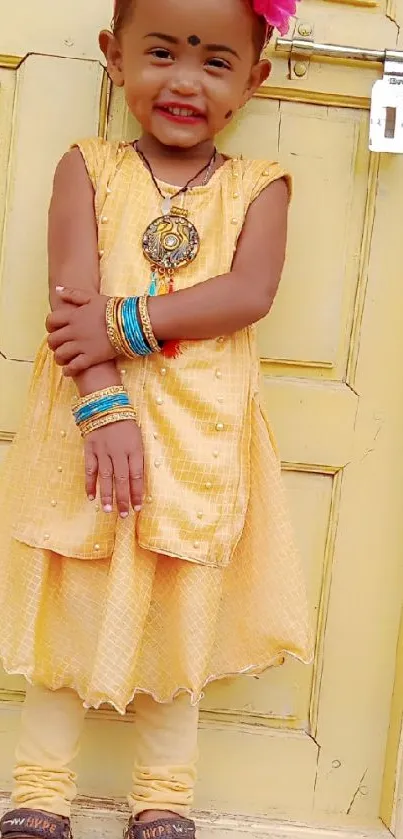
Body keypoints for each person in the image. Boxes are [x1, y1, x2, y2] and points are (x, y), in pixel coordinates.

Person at [0, 1, 311, 838]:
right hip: (87, 425)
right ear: (114, 55)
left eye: (214, 62)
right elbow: (69, 296)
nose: (183, 79)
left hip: (200, 436)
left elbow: (247, 294)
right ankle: (38, 792)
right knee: (71, 601)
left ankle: (163, 799)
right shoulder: (88, 167)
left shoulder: (261, 186)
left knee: (181, 616)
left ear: (253, 77)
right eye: (161, 52)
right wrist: (103, 400)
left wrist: (122, 318)